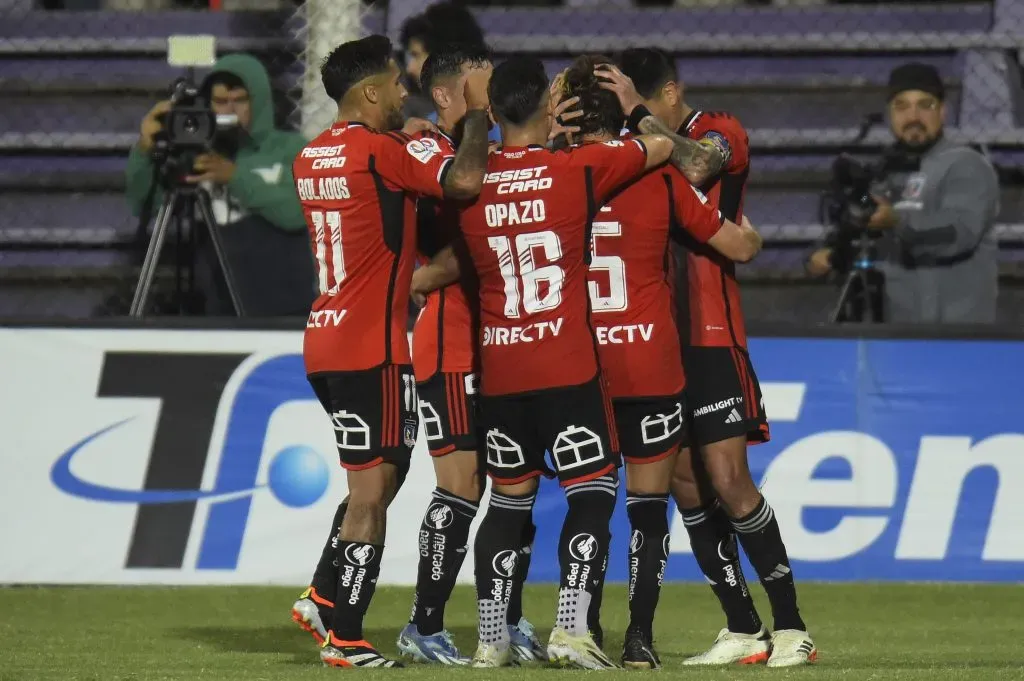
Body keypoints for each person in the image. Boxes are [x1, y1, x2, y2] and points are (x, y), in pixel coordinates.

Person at [420, 55, 673, 669]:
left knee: (507, 503)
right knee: (592, 494)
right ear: (543, 105)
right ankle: (571, 628)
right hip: (566, 365)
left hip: (500, 373)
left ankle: (491, 639)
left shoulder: (468, 185)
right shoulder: (578, 169)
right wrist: (634, 106)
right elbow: (663, 147)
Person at [549, 55, 763, 670]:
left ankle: (574, 628)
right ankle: (638, 640)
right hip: (647, 356)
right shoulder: (656, 172)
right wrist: (751, 236)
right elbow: (736, 243)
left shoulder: (552, 173)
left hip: (577, 361)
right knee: (650, 506)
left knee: (586, 500)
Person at [288, 34, 491, 669]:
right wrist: (480, 111)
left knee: (388, 468)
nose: (403, 95)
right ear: (370, 91)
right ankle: (345, 635)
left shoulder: (311, 156)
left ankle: (324, 596)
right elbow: (463, 180)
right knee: (372, 494)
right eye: (395, 85)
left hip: (325, 336)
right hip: (372, 345)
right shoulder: (378, 154)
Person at [615, 47, 816, 668]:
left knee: (729, 479)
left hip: (708, 329)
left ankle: (792, 628)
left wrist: (635, 115)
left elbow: (699, 166)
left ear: (668, 95)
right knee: (682, 481)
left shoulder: (718, 130)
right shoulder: (636, 146)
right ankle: (742, 627)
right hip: (655, 336)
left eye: (646, 105)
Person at [394, 43, 545, 666]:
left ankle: (505, 619)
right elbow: (465, 215)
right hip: (452, 343)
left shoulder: (509, 153)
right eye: (482, 87)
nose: (494, 95)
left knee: (515, 489)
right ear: (448, 95)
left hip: (509, 344)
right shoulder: (424, 149)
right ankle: (424, 624)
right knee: (460, 488)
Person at [807, 63, 999, 324]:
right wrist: (827, 252)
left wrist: (897, 221)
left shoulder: (966, 165)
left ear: (942, 112)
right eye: (902, 106)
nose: (913, 116)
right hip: (894, 333)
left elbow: (959, 233)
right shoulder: (883, 170)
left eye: (925, 105)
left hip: (955, 334)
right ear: (889, 115)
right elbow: (855, 225)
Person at [125, 53, 314, 316]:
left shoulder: (291, 148)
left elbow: (298, 212)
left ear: (258, 101)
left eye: (239, 100)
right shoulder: (191, 154)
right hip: (214, 305)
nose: (230, 109)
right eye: (221, 101)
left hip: (287, 305)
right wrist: (145, 151)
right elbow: (142, 204)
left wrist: (234, 177)